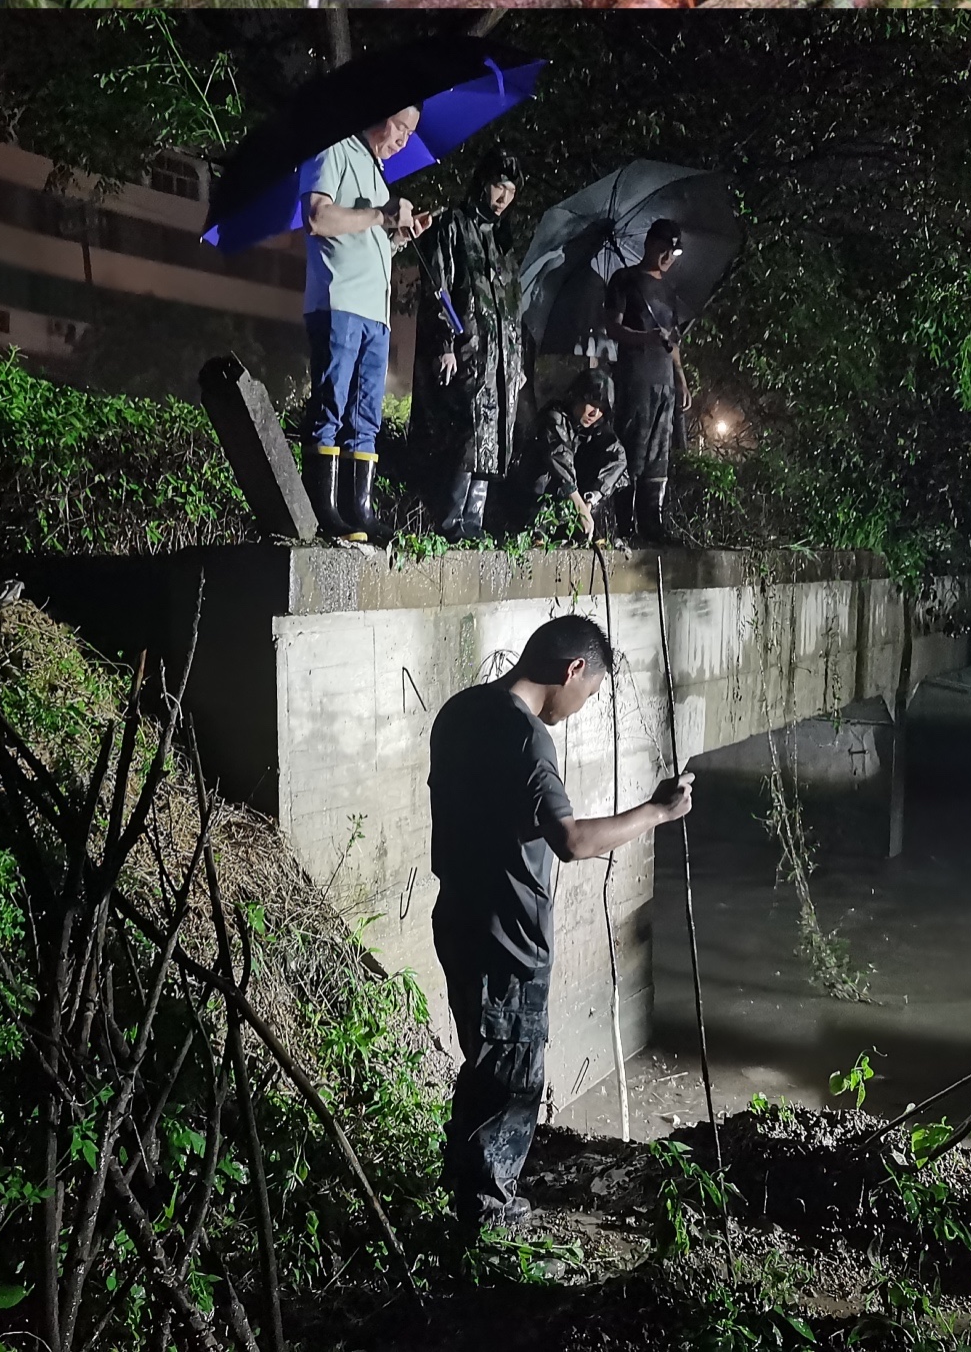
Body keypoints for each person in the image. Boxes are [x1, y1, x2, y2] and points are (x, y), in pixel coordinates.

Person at [426, 613, 691, 1243]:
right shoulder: (527, 738)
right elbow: (570, 840)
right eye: (589, 693)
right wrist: (658, 811)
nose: (580, 708)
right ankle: (487, 1219)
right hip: (509, 937)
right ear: (573, 670)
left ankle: (465, 1192)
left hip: (458, 918)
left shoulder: (459, 711)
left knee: (485, 1061)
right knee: (512, 1073)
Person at [302, 101, 429, 544]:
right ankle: (325, 507)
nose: (404, 140)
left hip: (377, 313)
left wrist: (396, 235)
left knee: (366, 416)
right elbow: (318, 218)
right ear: (381, 113)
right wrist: (380, 214)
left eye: (411, 134)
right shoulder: (332, 149)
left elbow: (367, 243)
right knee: (330, 405)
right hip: (339, 304)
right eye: (402, 128)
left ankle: (360, 510)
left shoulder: (377, 174)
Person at [413, 168, 529, 540]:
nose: (503, 198)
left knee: (495, 439)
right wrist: (445, 345)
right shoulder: (453, 225)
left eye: (511, 190)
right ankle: (449, 522)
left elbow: (514, 304)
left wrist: (518, 360)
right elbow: (438, 287)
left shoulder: (502, 239)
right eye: (499, 185)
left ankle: (474, 522)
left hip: (502, 360)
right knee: (467, 435)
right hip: (469, 354)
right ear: (483, 182)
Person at [604, 220, 692, 544]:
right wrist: (646, 337)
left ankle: (652, 526)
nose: (669, 256)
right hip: (635, 378)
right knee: (632, 451)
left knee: (659, 454)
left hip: (664, 382)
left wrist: (681, 378)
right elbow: (612, 328)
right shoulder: (624, 280)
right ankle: (625, 527)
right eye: (664, 248)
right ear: (650, 244)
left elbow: (674, 340)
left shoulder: (669, 290)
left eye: (674, 250)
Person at [510, 368, 631, 536]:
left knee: (617, 474)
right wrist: (579, 507)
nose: (594, 413)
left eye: (601, 408)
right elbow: (559, 460)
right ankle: (537, 530)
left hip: (570, 503)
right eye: (592, 404)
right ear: (577, 397)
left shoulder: (595, 429)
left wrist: (591, 501)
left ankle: (577, 528)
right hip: (531, 501)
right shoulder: (554, 418)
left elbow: (618, 457)